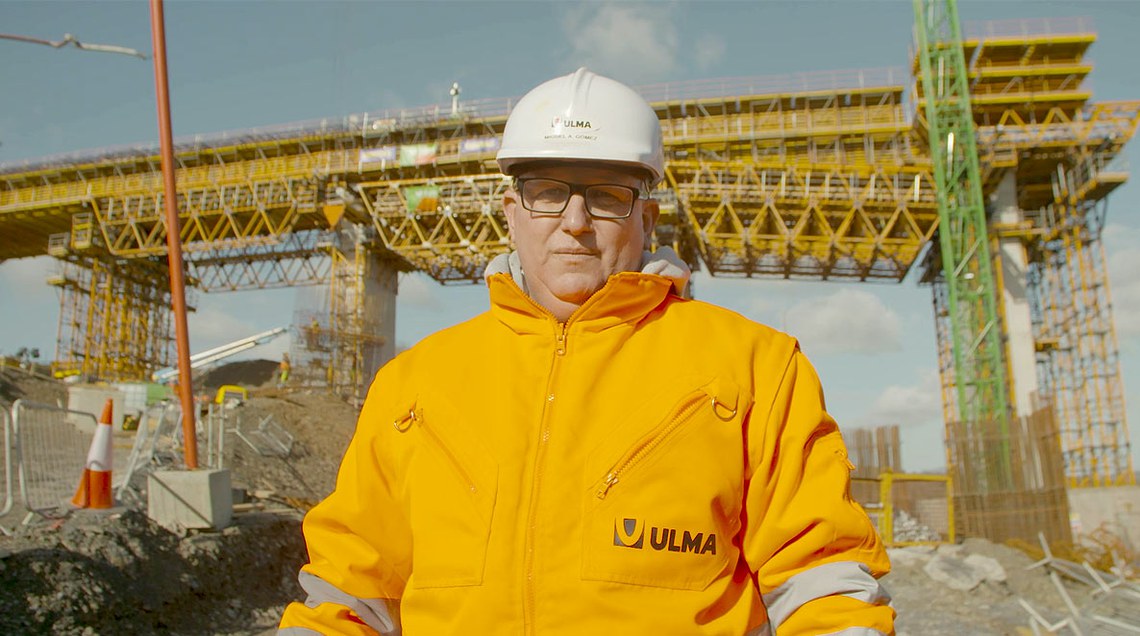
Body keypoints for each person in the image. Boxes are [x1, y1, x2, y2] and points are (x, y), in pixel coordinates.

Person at [278, 68, 892, 635]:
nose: (574, 221)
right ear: (511, 214)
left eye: (606, 196)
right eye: (546, 192)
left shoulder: (756, 367)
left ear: (646, 218)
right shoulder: (412, 383)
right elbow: (350, 593)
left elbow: (822, 582)